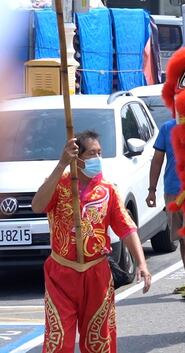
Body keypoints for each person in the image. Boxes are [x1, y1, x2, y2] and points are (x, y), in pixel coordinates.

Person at [31, 132, 151, 353]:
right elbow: (37, 206)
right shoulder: (58, 184)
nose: (97, 158)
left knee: (99, 340)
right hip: (61, 275)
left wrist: (141, 263)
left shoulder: (107, 190)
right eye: (92, 153)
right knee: (59, 342)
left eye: (99, 153)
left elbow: (126, 228)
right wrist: (61, 165)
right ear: (77, 158)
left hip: (97, 273)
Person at [147, 118, 185, 299]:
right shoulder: (167, 127)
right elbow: (157, 160)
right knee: (182, 239)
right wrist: (151, 190)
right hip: (172, 190)